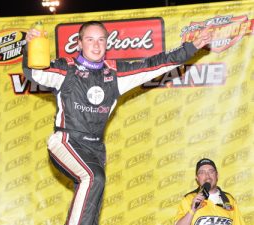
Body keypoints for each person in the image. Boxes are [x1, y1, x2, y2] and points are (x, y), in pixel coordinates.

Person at [23, 21, 212, 225]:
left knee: (93, 201)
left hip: (95, 149)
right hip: (66, 141)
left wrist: (191, 47)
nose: (96, 45)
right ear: (79, 44)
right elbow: (35, 73)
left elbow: (155, 64)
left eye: (101, 40)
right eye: (90, 40)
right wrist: (29, 47)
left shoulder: (115, 74)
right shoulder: (66, 69)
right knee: (93, 178)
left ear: (107, 44)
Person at [174, 158, 245, 225]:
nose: (207, 176)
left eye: (211, 171)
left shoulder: (229, 200)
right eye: (202, 172)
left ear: (217, 175)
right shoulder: (188, 199)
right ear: (197, 178)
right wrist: (192, 210)